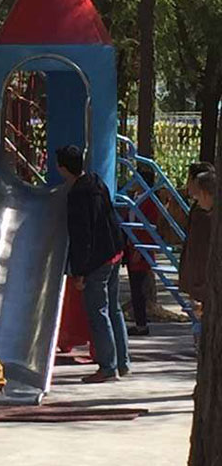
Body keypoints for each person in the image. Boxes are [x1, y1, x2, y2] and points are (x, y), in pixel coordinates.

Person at [56, 145, 129, 383]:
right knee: (114, 308)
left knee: (98, 312)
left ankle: (107, 366)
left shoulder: (77, 195)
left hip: (97, 260)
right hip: (114, 251)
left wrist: (79, 272)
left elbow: (82, 236)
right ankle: (122, 361)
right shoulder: (97, 182)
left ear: (62, 168)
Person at [126, 166, 160, 337]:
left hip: (141, 248)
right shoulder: (135, 197)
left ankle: (142, 324)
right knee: (134, 287)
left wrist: (141, 247)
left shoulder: (150, 201)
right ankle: (139, 322)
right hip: (131, 246)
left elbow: (149, 228)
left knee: (139, 288)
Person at [180, 169, 214, 333]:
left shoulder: (205, 217)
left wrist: (198, 288)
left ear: (206, 193)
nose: (197, 199)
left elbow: (199, 253)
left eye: (199, 195)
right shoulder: (200, 211)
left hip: (204, 282)